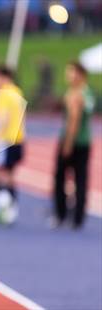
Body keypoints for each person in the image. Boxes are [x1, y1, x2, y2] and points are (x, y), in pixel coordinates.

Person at [52, 62, 94, 230]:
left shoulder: (76, 94)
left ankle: (61, 214)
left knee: (60, 177)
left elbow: (74, 120)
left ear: (79, 74)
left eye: (71, 72)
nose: (68, 75)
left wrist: (68, 144)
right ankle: (78, 218)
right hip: (85, 141)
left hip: (72, 141)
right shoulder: (88, 92)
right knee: (81, 179)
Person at [0, 65, 26, 225]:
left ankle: (6, 206)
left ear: (2, 76)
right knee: (9, 176)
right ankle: (11, 207)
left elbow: (4, 119)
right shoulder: (17, 92)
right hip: (18, 139)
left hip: (6, 140)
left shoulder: (3, 93)